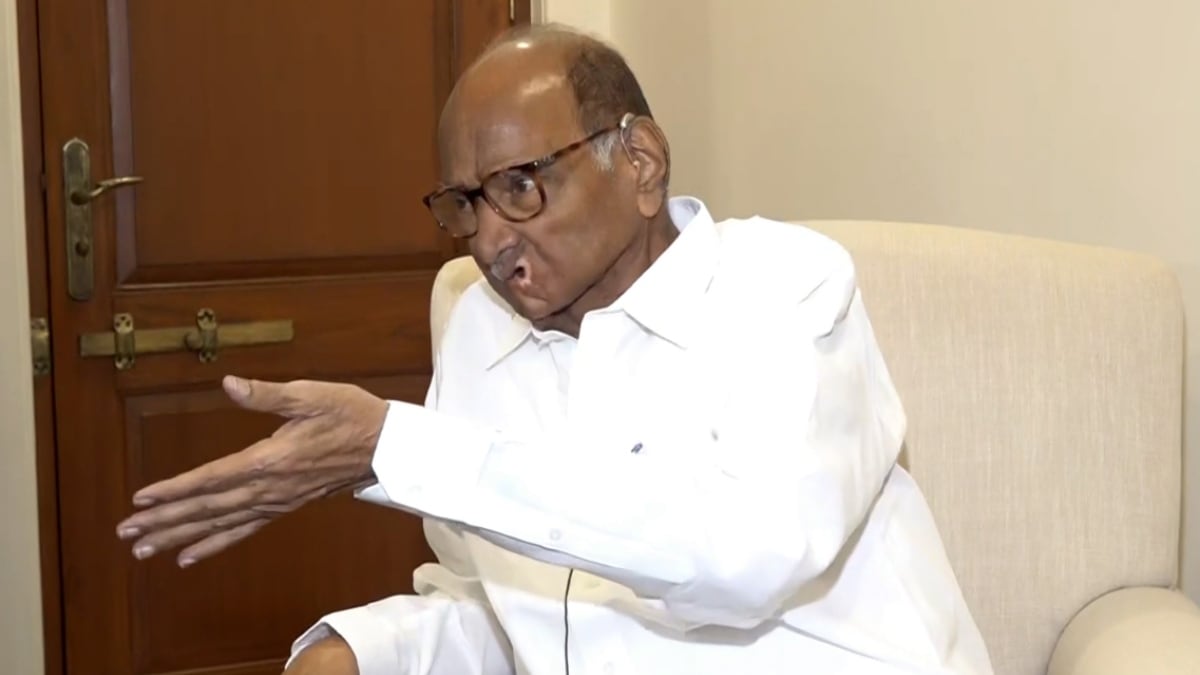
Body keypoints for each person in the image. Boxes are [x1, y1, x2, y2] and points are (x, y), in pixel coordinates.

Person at [116, 24, 994, 675]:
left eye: (520, 185)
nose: (489, 239)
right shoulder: (479, 330)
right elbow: (512, 612)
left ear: (640, 161)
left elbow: (746, 555)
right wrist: (362, 653)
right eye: (465, 204)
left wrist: (398, 446)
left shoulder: (785, 286)